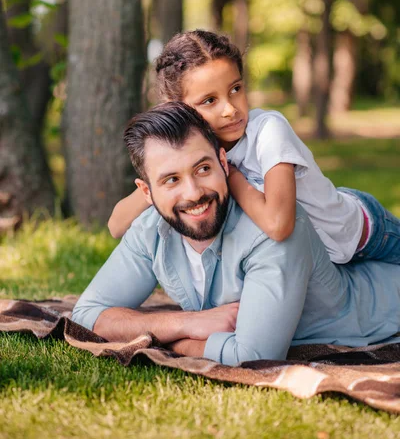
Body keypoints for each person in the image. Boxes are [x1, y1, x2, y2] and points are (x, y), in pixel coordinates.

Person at [73, 102, 400, 365]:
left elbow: (254, 356)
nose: (194, 193)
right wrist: (185, 323)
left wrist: (181, 344)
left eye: (203, 169)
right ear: (146, 192)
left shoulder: (269, 232)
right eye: (171, 180)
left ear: (223, 162)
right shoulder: (150, 231)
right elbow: (88, 316)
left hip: (384, 310)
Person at [108, 29, 400, 265]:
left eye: (236, 89)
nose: (230, 109)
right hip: (329, 257)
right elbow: (115, 226)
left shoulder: (268, 131)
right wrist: (155, 190)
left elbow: (278, 224)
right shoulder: (191, 155)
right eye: (209, 101)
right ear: (177, 108)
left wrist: (232, 176)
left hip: (364, 230)